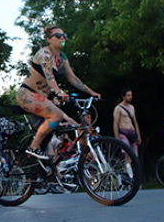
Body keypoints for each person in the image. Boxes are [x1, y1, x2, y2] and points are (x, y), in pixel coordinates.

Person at [17, 25, 100, 161]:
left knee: (63, 133)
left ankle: (53, 170)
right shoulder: (44, 54)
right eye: (58, 36)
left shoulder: (62, 58)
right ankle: (33, 147)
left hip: (42, 99)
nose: (62, 38)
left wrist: (91, 92)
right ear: (49, 39)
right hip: (27, 94)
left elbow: (73, 79)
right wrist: (58, 92)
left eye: (64, 36)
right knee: (56, 115)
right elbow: (49, 75)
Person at [113, 88, 141, 158]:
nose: (130, 97)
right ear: (123, 97)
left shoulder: (132, 108)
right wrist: (117, 137)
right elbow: (116, 123)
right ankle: (127, 165)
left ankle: (131, 165)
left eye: (131, 95)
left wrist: (138, 135)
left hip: (132, 132)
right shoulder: (118, 108)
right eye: (128, 95)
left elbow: (135, 122)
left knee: (134, 154)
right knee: (127, 151)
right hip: (123, 132)